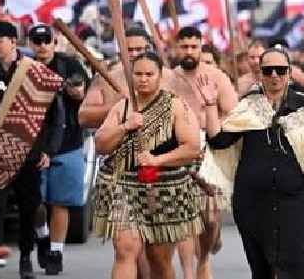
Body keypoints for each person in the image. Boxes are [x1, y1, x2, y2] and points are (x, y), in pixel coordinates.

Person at [199, 46, 304, 278]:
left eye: (280, 70)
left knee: (292, 271)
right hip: (252, 202)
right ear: (260, 73)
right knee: (261, 271)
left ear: (289, 72)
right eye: (268, 70)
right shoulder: (248, 106)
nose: (274, 75)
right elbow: (218, 141)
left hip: (294, 201)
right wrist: (211, 105)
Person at [0, 21, 65, 279]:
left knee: (29, 210)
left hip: (29, 157)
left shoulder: (37, 74)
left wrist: (49, 151)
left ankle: (26, 259)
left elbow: (55, 118)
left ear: (12, 41)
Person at [93, 51, 203, 279]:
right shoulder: (122, 107)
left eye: (149, 74)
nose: (143, 79)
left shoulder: (175, 106)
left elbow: (192, 148)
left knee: (159, 259)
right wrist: (125, 126)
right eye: (138, 74)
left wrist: (157, 160)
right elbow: (101, 144)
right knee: (125, 249)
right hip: (123, 185)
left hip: (163, 187)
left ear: (159, 75)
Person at [168, 27, 238, 279]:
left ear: (201, 47)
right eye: (184, 47)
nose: (188, 52)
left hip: (210, 153)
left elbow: (232, 114)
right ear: (176, 48)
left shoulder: (216, 77)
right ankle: (189, 273)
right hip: (178, 153)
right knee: (184, 216)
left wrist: (211, 120)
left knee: (208, 217)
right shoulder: (167, 78)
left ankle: (204, 257)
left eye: (193, 47)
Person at [27, 25, 89, 275]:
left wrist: (77, 93)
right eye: (37, 40)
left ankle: (55, 251)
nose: (42, 44)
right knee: (34, 202)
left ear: (54, 42)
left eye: (46, 40)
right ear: (30, 43)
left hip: (68, 142)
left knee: (61, 202)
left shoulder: (70, 65)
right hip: (34, 144)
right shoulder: (25, 67)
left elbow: (86, 94)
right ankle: (42, 236)